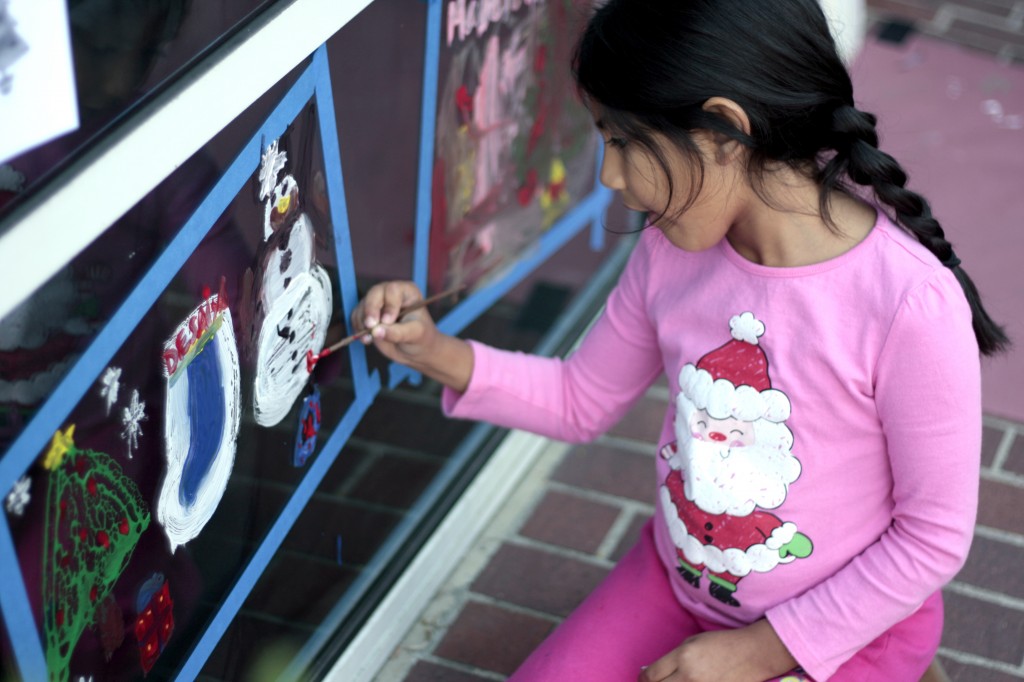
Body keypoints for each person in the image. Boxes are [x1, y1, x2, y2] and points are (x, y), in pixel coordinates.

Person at [351, 1, 1009, 680]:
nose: (610, 176)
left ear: (724, 130)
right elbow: (580, 399)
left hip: (847, 636)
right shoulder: (670, 253)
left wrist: (756, 654)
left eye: (626, 141)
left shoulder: (908, 304)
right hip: (677, 587)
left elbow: (931, 539)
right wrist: (432, 349)